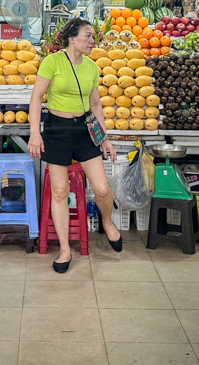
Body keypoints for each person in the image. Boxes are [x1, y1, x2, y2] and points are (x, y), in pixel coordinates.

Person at [28, 18, 121, 273]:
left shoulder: (92, 67)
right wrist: (35, 134)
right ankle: (65, 249)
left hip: (83, 130)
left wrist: (105, 139)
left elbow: (95, 105)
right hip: (57, 129)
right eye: (88, 36)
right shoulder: (52, 62)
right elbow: (36, 98)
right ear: (71, 37)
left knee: (101, 188)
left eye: (93, 37)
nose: (92, 41)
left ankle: (107, 221)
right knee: (59, 190)